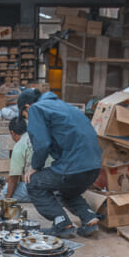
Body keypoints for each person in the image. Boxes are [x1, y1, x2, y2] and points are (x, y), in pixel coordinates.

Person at [18, 87, 102, 238]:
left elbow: (42, 144)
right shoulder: (66, 106)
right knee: (66, 191)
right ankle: (90, 218)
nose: (28, 119)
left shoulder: (36, 108)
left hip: (74, 166)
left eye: (25, 116)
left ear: (27, 107)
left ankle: (62, 224)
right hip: (94, 167)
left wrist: (35, 167)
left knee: (33, 182)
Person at [6, 116, 52, 203]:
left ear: (12, 133)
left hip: (37, 186)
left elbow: (13, 178)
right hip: (54, 182)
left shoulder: (19, 145)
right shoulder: (39, 137)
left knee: (4, 191)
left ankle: (43, 198)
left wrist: (7, 199)